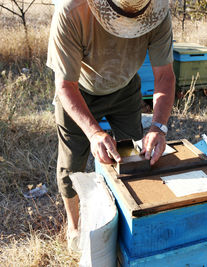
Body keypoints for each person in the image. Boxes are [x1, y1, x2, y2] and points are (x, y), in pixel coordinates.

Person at [47, 0, 175, 250]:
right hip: (79, 89)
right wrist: (94, 132)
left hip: (125, 88)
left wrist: (159, 127)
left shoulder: (158, 12)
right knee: (72, 164)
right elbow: (64, 85)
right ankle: (74, 225)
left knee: (135, 155)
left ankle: (131, 216)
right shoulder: (71, 11)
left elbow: (165, 75)